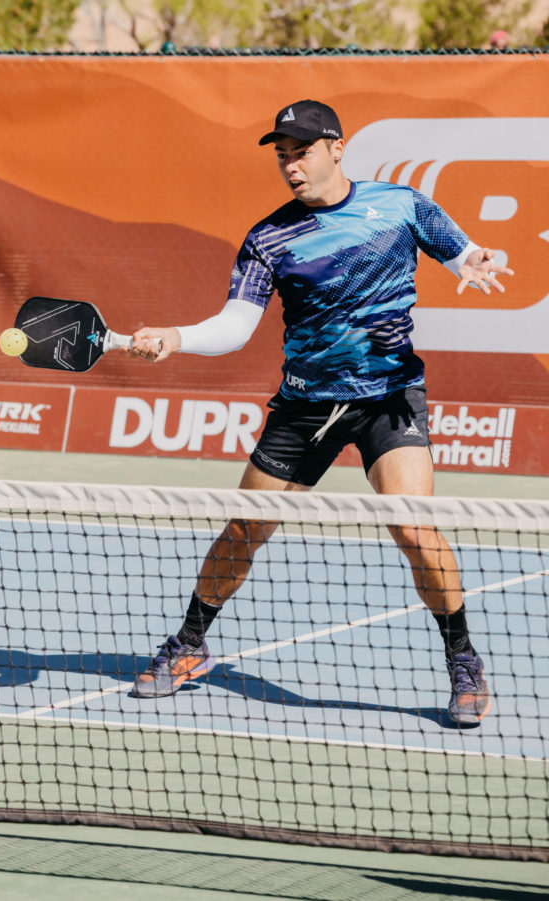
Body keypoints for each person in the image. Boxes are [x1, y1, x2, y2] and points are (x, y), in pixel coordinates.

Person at [125, 99, 513, 725]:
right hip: (306, 407)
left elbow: (461, 252)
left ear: (337, 147)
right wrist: (176, 336)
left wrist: (475, 260)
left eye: (301, 151)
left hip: (388, 397)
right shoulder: (269, 237)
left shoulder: (401, 205)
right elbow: (233, 325)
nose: (291, 166)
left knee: (413, 529)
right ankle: (190, 643)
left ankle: (463, 659)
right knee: (246, 529)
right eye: (282, 155)